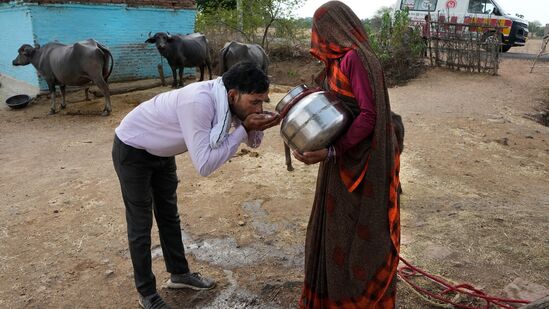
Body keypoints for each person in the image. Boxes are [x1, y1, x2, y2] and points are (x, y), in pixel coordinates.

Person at [112, 62, 280, 309]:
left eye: (262, 101)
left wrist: (252, 126)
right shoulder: (199, 102)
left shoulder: (225, 100)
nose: (259, 108)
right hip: (133, 150)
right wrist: (244, 129)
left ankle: (179, 275)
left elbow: (246, 140)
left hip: (161, 152)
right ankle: (146, 292)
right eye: (255, 102)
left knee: (169, 215)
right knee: (140, 223)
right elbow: (204, 165)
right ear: (233, 95)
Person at [292, 2, 402, 308]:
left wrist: (332, 150)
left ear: (332, 29)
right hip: (340, 156)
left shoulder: (357, 59)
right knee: (334, 229)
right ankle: (329, 297)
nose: (315, 38)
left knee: (360, 232)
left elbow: (368, 116)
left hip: (363, 160)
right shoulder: (337, 62)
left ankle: (359, 298)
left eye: (318, 30)